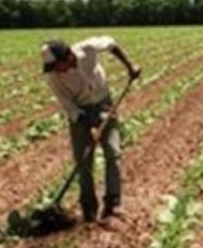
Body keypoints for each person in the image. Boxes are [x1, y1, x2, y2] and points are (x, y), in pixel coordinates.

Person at [41, 36, 140, 221]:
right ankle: (89, 207)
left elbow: (111, 44)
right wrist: (87, 121)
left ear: (68, 56)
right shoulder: (53, 77)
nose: (56, 71)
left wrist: (130, 66)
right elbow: (67, 105)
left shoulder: (87, 49)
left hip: (104, 104)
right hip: (79, 113)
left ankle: (113, 203)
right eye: (52, 68)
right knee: (83, 161)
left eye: (57, 66)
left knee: (113, 152)